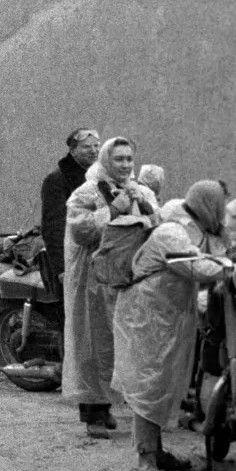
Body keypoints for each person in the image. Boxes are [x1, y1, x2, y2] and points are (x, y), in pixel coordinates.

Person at [113, 180, 229, 471]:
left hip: (165, 316)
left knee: (164, 384)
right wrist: (232, 266)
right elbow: (195, 267)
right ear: (207, 205)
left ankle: (158, 451)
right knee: (149, 385)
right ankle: (146, 458)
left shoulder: (190, 229)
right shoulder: (173, 232)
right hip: (147, 316)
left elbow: (212, 253)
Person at [65, 136, 158, 437]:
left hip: (128, 279)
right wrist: (113, 210)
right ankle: (93, 410)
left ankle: (114, 404)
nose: (125, 165)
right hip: (93, 280)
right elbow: (80, 230)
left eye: (129, 159)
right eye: (119, 159)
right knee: (92, 342)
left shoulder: (140, 190)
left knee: (123, 342)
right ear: (106, 160)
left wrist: (143, 204)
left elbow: (157, 227)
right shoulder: (88, 192)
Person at [38, 129, 99, 304]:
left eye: (96, 146)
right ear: (73, 151)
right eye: (87, 147)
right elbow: (53, 228)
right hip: (71, 259)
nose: (94, 151)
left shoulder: (98, 179)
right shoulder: (57, 180)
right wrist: (61, 269)